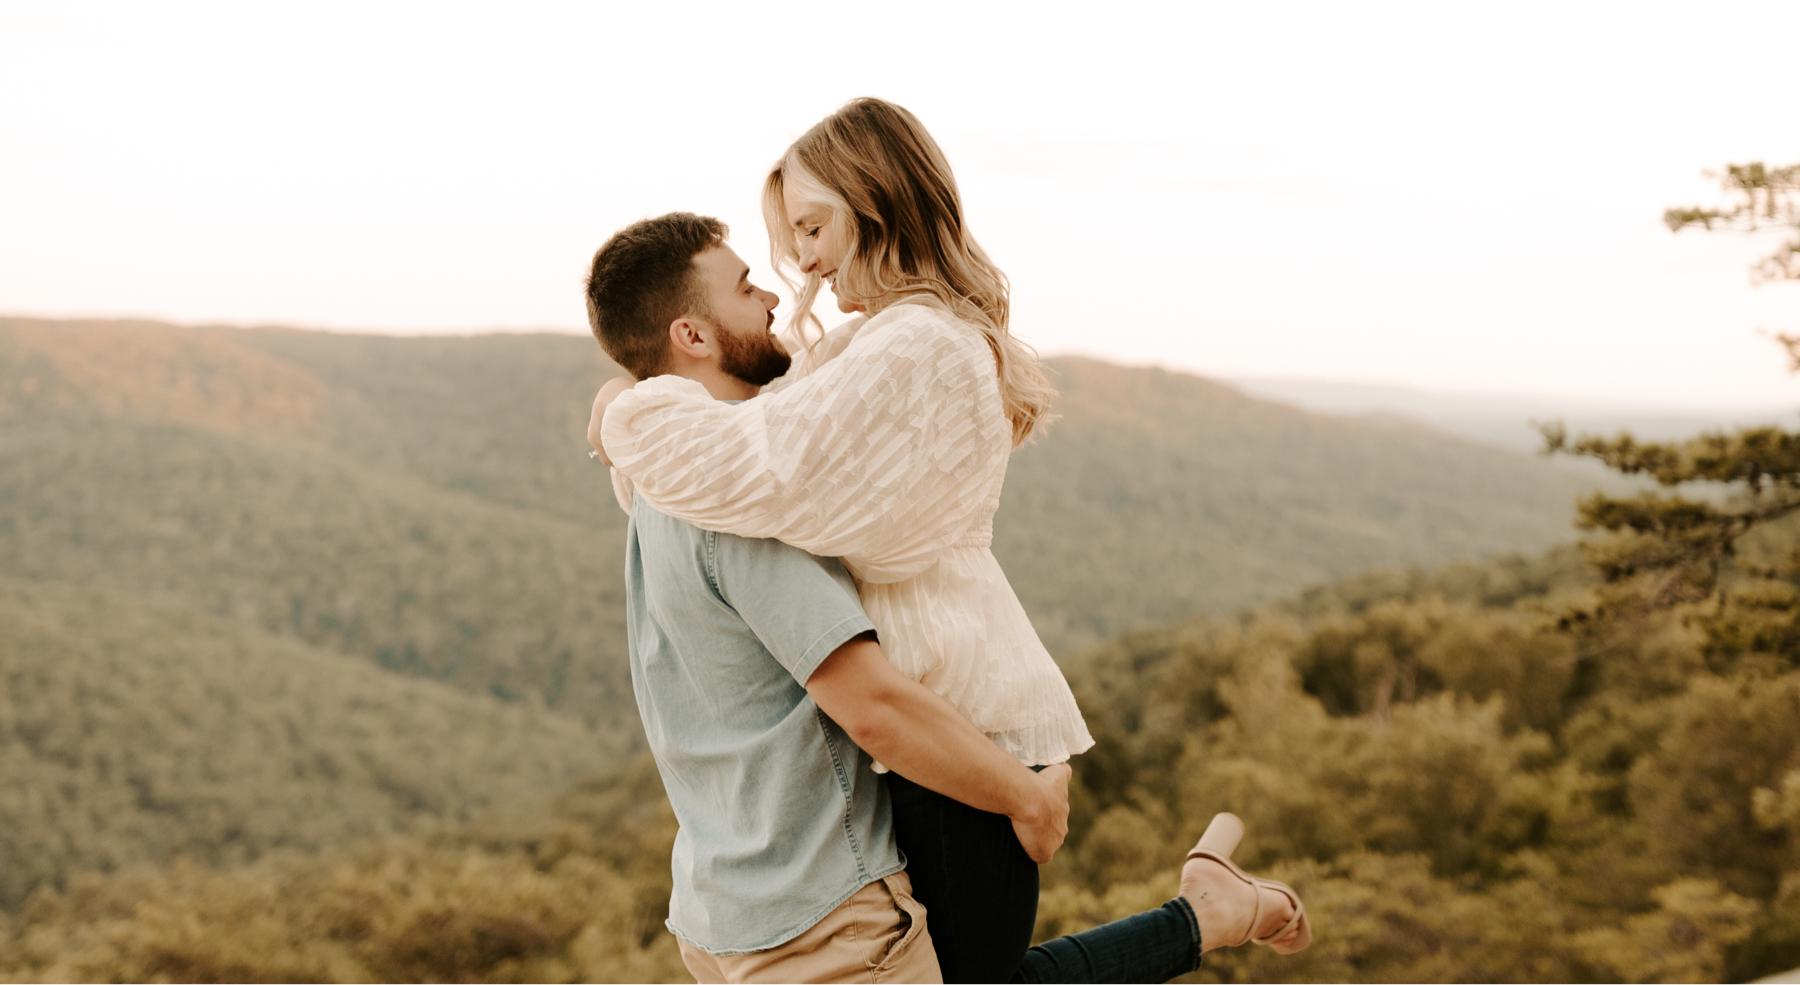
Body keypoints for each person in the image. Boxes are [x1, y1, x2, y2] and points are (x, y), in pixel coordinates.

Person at [585, 210, 1310, 984]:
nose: (770, 296)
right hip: (815, 920)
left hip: (723, 909)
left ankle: (1211, 913)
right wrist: (1028, 800)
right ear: (693, 335)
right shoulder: (735, 506)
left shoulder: (656, 481)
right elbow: (871, 704)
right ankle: (1209, 914)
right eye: (744, 287)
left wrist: (619, 400)